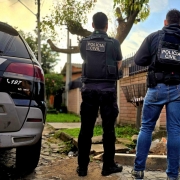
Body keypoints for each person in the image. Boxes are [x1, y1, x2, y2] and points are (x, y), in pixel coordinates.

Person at [131, 9, 180, 180]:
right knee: (175, 131)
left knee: (146, 128)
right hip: (177, 90)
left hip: (155, 88)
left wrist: (153, 58)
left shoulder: (154, 37)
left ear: (165, 22)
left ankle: (138, 170)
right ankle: (172, 176)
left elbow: (137, 60)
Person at [76, 12, 123, 177]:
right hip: (108, 92)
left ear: (92, 25)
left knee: (86, 129)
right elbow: (118, 63)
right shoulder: (114, 43)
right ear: (107, 26)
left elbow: (85, 58)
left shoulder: (83, 43)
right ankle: (108, 166)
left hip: (89, 91)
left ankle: (82, 168)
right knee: (108, 129)